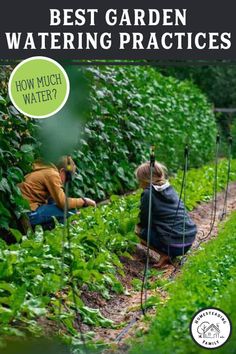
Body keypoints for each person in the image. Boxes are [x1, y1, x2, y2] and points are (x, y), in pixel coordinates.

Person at [135, 161, 197, 268]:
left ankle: (165, 255)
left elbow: (145, 220)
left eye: (139, 181)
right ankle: (169, 253)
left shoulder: (148, 193)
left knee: (139, 231)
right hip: (188, 240)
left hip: (175, 245)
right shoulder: (169, 188)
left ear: (144, 180)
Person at [19, 156, 96, 228]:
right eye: (69, 177)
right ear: (62, 172)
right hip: (30, 215)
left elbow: (54, 203)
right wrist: (84, 201)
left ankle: (68, 224)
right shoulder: (52, 174)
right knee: (70, 211)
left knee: (64, 210)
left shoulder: (45, 171)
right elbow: (64, 203)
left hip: (27, 214)